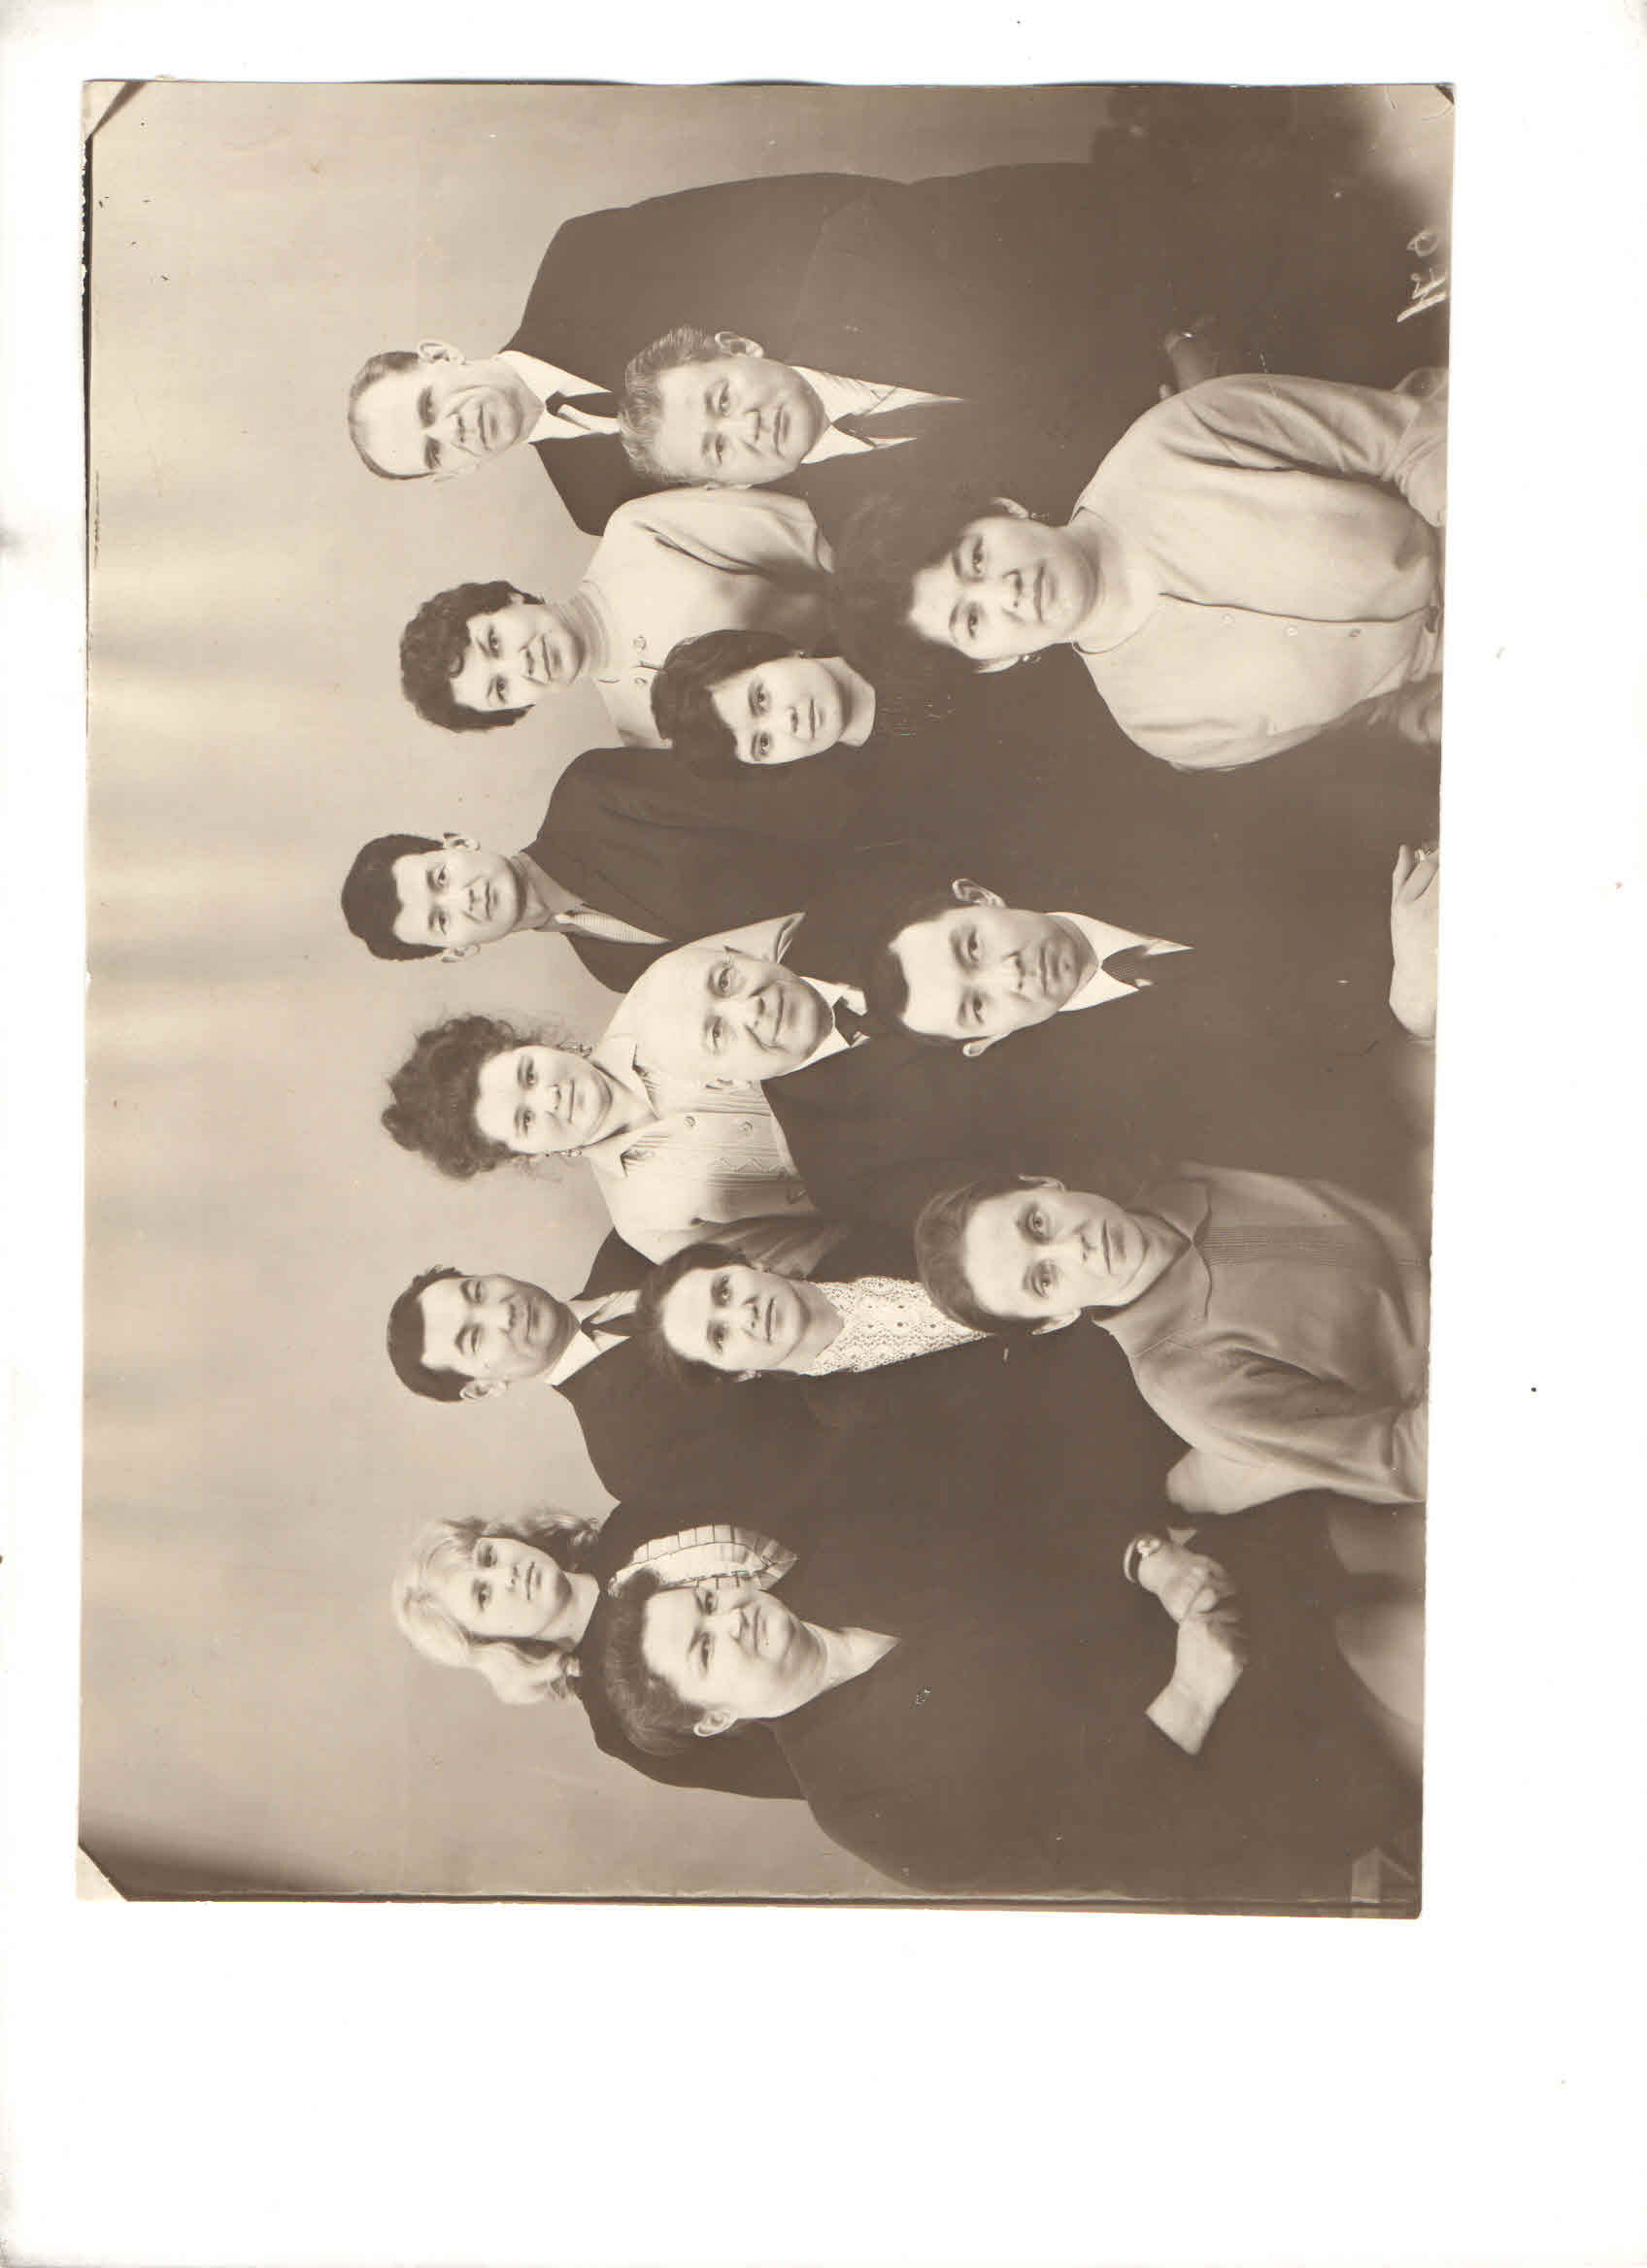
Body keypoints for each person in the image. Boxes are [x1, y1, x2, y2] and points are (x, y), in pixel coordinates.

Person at [583, 1467, 1419, 1905]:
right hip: (1231, 1756)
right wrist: (1197, 1687)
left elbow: (1036, 1530)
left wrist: (1150, 1561)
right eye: (704, 1650)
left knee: (1402, 1530)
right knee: (1406, 1640)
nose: (733, 1618)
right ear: (715, 1719)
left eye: (708, 1600)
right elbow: (1106, 1837)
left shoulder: (847, 1559)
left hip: (1201, 1595)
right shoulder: (863, 1805)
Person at [833, 369, 1448, 769]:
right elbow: (1369, 715)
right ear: (993, 662)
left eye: (976, 558)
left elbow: (1415, 439)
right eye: (972, 621)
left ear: (1005, 509)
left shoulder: (1179, 433)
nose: (1004, 591)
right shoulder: (1161, 727)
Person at [345, 171, 893, 532]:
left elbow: (806, 207)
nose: (453, 430)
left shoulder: (583, 262)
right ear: (455, 474)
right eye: (434, 452)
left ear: (441, 355)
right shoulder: (601, 507)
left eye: (428, 406)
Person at [914, 1163, 1429, 1513]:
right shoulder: (1189, 1385)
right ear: (1053, 1321)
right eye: (1044, 1280)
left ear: (1044, 1183)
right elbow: (1413, 1459)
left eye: (1037, 1223)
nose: (1076, 1248)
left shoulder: (1176, 1179)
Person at [337, 711, 885, 993]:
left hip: (889, 844)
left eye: (439, 878)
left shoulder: (592, 793)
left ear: (458, 842)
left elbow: (794, 798)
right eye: (441, 920)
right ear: (457, 952)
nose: (464, 898)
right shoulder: (612, 968)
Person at [382, 1236, 852, 1515]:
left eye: (477, 1293)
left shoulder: (627, 1245)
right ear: (484, 1388)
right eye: (473, 1338)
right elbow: (820, 1475)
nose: (501, 1314)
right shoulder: (629, 1459)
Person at [391, 1507, 803, 1800]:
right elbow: (791, 1772)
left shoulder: (633, 1523)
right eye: (484, 1594)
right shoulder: (616, 1721)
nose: (508, 1575)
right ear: (491, 1643)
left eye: (488, 1556)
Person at [382, 1013, 833, 1270]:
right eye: (526, 1119)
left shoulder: (659, 1006)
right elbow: (807, 1257)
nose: (550, 1097)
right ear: (527, 1155)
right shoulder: (645, 1224)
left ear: (533, 1046)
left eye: (529, 1074)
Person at [398, 484, 831, 747]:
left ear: (509, 598)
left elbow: (815, 534)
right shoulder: (641, 733)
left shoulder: (638, 533)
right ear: (520, 707)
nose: (520, 664)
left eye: (494, 643)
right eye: (501, 687)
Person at [635, 1241, 979, 1384]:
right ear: (739, 1375)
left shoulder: (871, 1238)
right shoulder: (855, 1430)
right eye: (720, 1336)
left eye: (724, 1291)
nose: (744, 1315)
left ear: (750, 1263)